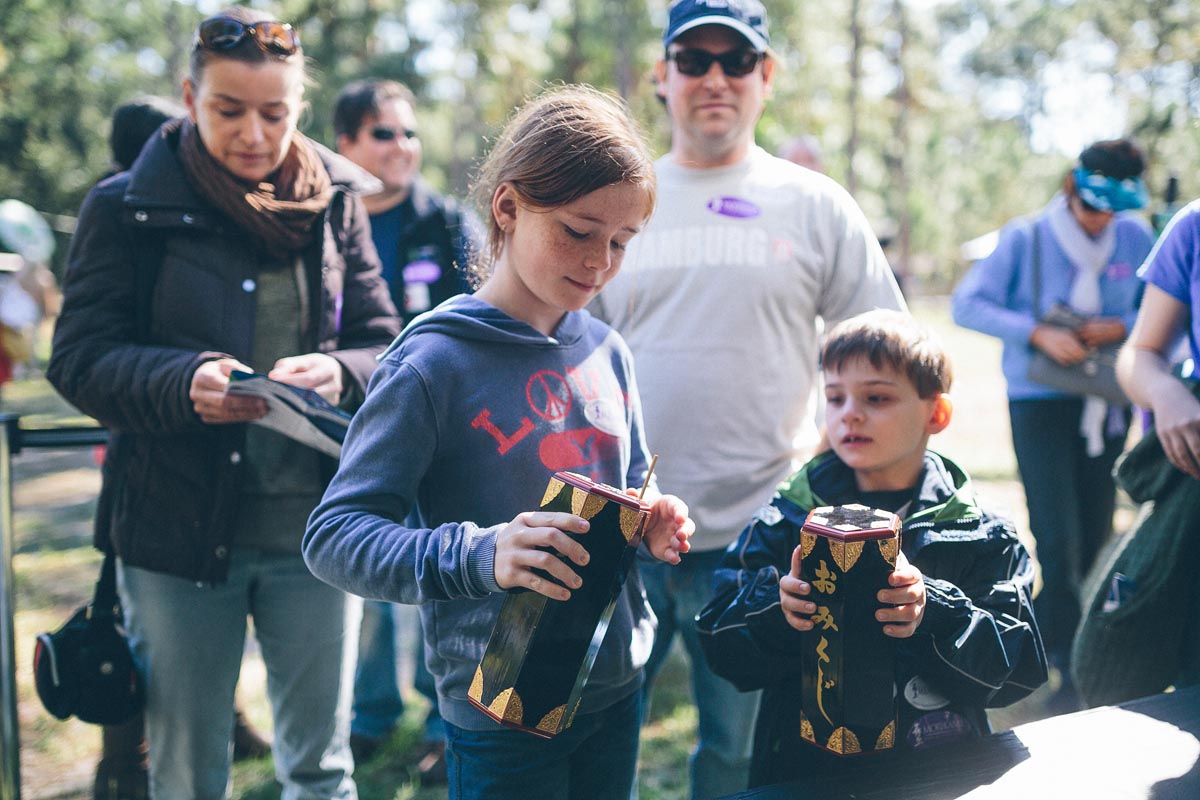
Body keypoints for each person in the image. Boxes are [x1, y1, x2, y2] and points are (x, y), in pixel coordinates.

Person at [303, 84, 694, 800]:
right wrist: (483, 554)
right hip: (498, 713)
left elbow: (632, 482)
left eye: (621, 241)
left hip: (615, 685)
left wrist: (654, 516)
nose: (600, 261)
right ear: (508, 208)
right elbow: (334, 536)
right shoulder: (432, 364)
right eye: (578, 231)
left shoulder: (608, 350)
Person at [47, 8, 399, 798]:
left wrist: (340, 371)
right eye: (228, 111)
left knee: (320, 767)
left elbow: (389, 343)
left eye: (274, 114)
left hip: (317, 531)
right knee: (187, 769)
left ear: (300, 108)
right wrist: (180, 381)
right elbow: (77, 358)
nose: (253, 133)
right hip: (175, 534)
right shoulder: (123, 206)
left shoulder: (338, 201)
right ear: (188, 96)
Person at [589, 1, 905, 795]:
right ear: (662, 76)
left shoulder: (816, 204)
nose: (715, 78)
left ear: (766, 76)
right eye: (694, 60)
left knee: (736, 755)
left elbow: (888, 354)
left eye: (737, 60)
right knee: (596, 742)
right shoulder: (615, 201)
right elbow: (560, 352)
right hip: (621, 527)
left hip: (765, 538)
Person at [696, 309, 1047, 788]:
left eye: (876, 397)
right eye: (835, 398)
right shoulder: (788, 518)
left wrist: (937, 611)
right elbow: (719, 643)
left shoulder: (980, 531)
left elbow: (1020, 670)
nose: (850, 414)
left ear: (936, 413)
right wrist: (777, 609)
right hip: (806, 771)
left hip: (939, 770)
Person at [89, 92, 272, 799]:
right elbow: (92, 352)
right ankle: (121, 754)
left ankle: (215, 725)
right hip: (146, 460)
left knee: (182, 627)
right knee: (138, 621)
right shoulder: (122, 213)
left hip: (198, 460)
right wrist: (177, 380)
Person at [950, 138, 1155, 711]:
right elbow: (969, 303)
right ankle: (1056, 661)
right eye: (1094, 206)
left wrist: (1119, 325)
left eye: (1112, 209)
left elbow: (1162, 306)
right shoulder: (1027, 236)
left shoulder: (1136, 237)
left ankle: (1086, 652)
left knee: (1095, 535)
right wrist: (1039, 332)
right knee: (1055, 536)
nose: (1102, 219)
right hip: (1040, 402)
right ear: (1072, 186)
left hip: (1105, 404)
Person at [332, 78, 483, 774]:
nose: (402, 148)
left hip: (435, 430)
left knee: (428, 572)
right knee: (356, 579)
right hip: (343, 427)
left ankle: (438, 721)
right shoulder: (326, 222)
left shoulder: (445, 224)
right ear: (347, 145)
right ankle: (368, 716)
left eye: (410, 132)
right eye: (384, 134)